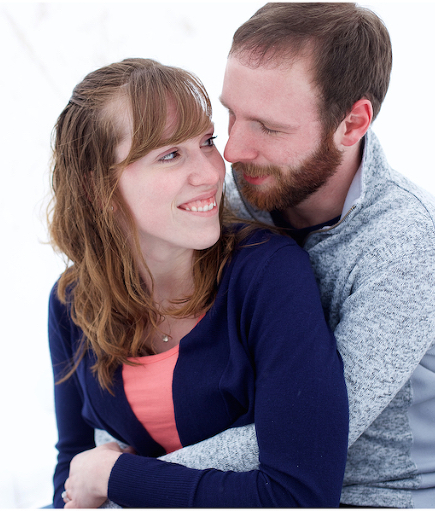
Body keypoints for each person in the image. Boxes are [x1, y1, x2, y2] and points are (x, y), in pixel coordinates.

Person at [176, 3, 435, 508]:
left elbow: (307, 437)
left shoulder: (410, 245)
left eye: (269, 128)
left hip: (391, 494)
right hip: (251, 485)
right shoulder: (236, 200)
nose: (232, 149)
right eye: (231, 114)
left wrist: (126, 480)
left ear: (352, 122)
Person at [45, 57, 348, 508]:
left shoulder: (267, 276)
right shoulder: (73, 301)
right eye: (170, 155)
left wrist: (118, 477)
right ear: (97, 189)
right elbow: (73, 465)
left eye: (206, 141)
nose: (211, 173)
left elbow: (299, 496)